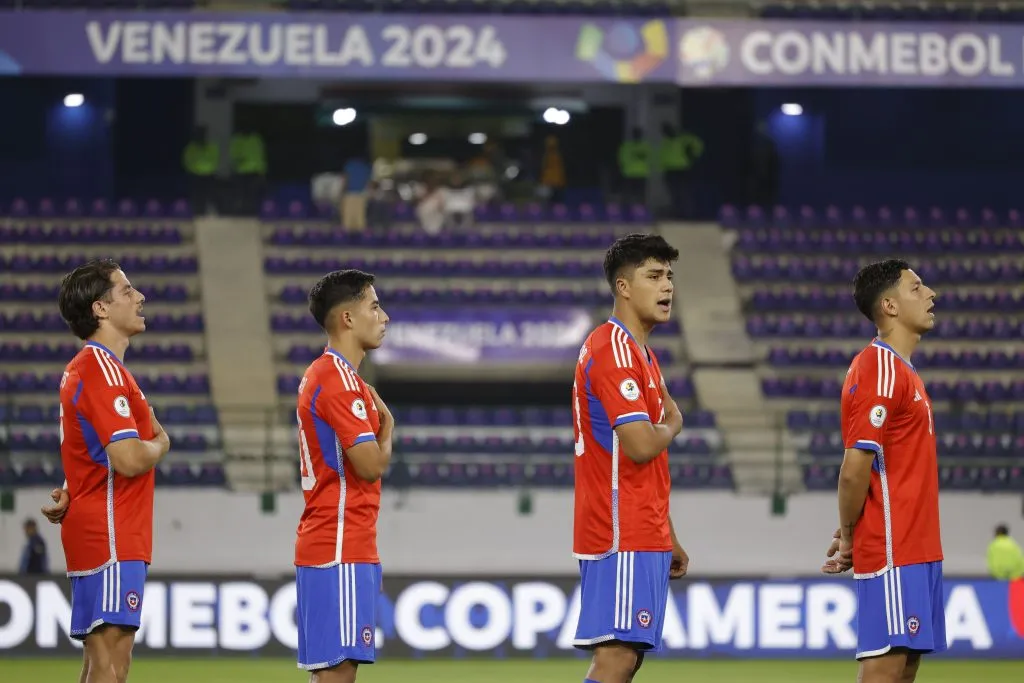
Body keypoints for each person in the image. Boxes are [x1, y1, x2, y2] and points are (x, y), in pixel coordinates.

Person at [571, 233, 690, 683]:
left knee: (628, 656)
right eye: (654, 276)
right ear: (623, 287)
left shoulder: (639, 353)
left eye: (670, 276)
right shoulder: (613, 350)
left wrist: (667, 535)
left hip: (643, 528)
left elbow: (644, 462)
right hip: (620, 528)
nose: (667, 287)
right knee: (616, 657)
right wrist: (674, 425)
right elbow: (641, 444)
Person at [822, 259, 942, 683]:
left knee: (903, 669)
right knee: (884, 670)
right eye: (917, 287)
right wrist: (851, 534)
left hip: (919, 547)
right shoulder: (880, 368)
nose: (931, 294)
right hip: (895, 547)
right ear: (889, 305)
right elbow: (854, 468)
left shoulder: (904, 372)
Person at [56, 258, 171, 683]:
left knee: (101, 664)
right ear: (100, 309)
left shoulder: (91, 368)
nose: (139, 297)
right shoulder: (101, 368)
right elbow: (125, 458)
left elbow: (88, 451)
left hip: (106, 527)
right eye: (126, 291)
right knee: (112, 665)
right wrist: (160, 443)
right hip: (111, 532)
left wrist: (70, 486)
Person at [294, 269, 394, 683]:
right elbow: (370, 465)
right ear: (347, 319)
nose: (384, 316)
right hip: (340, 544)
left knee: (331, 673)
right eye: (374, 306)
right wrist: (388, 431)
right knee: (338, 675)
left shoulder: (332, 374)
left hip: (334, 541)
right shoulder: (336, 379)